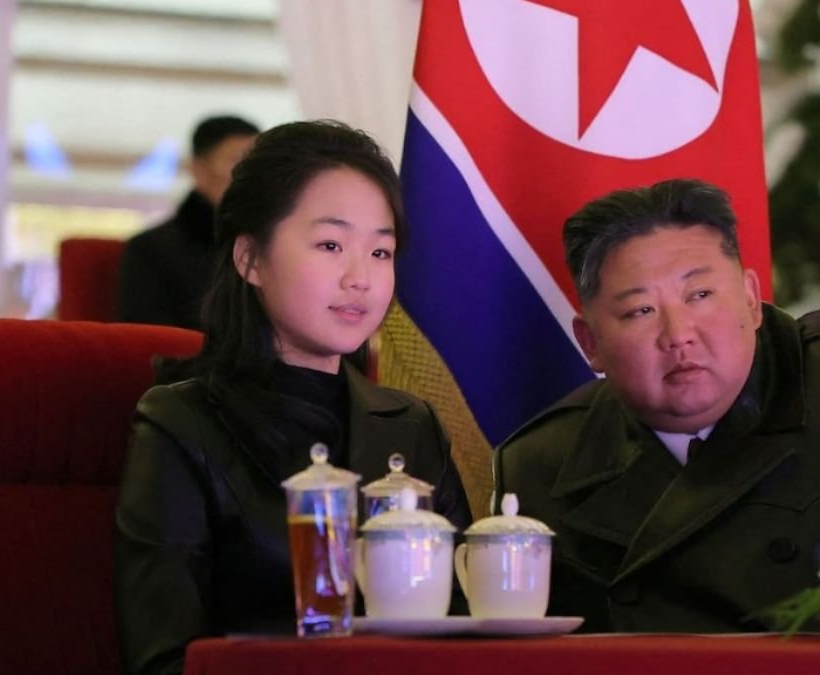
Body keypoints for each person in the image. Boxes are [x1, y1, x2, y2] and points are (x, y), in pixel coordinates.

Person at [114, 120, 472, 675]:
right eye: (331, 245)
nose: (361, 278)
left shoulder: (412, 423)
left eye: (381, 251)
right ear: (250, 259)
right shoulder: (182, 423)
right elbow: (164, 658)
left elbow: (469, 630)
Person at [494, 178, 820, 633]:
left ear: (750, 298)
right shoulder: (542, 464)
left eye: (700, 295)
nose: (678, 334)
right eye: (641, 311)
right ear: (590, 343)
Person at [116, 115, 259, 329]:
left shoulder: (268, 243)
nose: (248, 175)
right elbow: (146, 335)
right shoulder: (150, 249)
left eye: (256, 164)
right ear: (198, 169)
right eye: (236, 161)